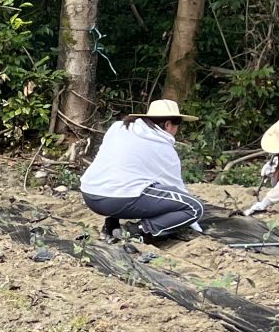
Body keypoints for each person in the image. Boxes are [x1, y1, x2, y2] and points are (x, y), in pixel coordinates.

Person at [79, 98, 205, 242]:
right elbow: (176, 188)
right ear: (168, 124)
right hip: (117, 200)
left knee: (132, 179)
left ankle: (112, 224)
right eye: (177, 125)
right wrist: (193, 224)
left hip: (90, 194)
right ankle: (136, 231)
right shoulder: (163, 148)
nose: (177, 131)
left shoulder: (118, 127)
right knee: (194, 207)